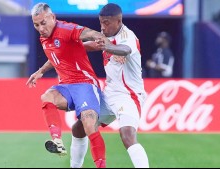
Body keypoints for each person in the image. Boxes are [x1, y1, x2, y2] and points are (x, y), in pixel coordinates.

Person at [26, 3, 122, 168]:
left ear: (52, 18)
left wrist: (113, 48)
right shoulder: (44, 38)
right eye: (36, 25)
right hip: (66, 86)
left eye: (43, 23)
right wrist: (40, 71)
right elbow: (57, 55)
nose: (40, 28)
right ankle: (57, 141)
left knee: (89, 126)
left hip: (84, 84)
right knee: (46, 97)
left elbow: (91, 33)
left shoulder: (65, 29)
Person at [70, 3, 150, 168]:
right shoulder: (106, 37)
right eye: (101, 23)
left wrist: (111, 47)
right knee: (79, 127)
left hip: (129, 96)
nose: (102, 27)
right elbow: (93, 45)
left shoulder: (128, 36)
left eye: (106, 23)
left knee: (127, 134)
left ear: (119, 21)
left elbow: (125, 49)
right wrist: (73, 48)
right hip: (109, 95)